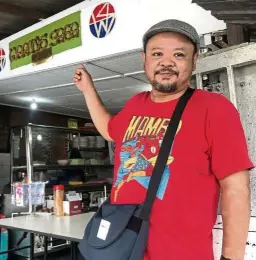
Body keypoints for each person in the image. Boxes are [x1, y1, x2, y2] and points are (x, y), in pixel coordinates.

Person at [73, 19, 253, 260]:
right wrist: (88, 89)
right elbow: (109, 129)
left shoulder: (214, 108)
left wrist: (231, 258)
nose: (166, 62)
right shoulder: (136, 104)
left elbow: (236, 189)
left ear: (194, 60)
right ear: (144, 60)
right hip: (122, 249)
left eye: (179, 54)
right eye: (157, 53)